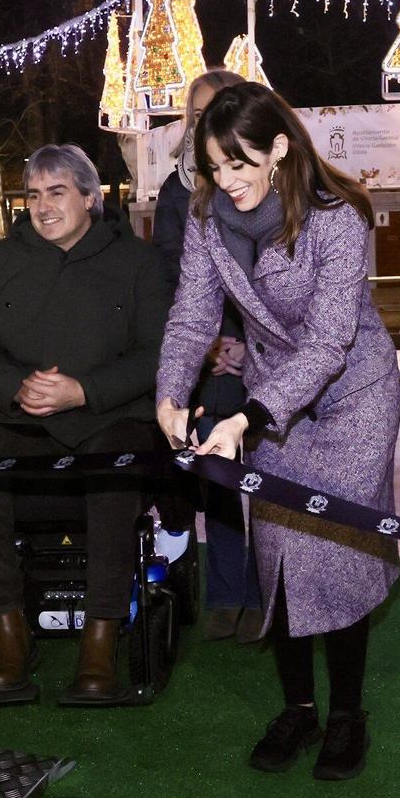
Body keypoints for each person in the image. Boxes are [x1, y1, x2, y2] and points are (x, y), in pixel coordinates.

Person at [156, 83, 400, 781]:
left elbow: (328, 343)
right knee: (281, 552)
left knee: (337, 554)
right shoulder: (208, 220)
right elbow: (192, 314)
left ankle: (347, 714)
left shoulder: (336, 218)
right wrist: (170, 394)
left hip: (352, 399)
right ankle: (299, 707)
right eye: (214, 166)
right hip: (269, 401)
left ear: (279, 149)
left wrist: (246, 417)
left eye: (239, 163)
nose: (226, 180)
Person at [0, 144, 169, 706]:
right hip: (17, 420)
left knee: (115, 473)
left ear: (89, 198)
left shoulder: (136, 262)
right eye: (33, 195)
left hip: (107, 418)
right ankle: (9, 632)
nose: (42, 207)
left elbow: (158, 352)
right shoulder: (4, 259)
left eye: (57, 192)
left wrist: (84, 390)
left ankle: (101, 638)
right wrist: (13, 384)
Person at [151, 68, 259, 643]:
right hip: (208, 356)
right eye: (195, 114)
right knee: (218, 476)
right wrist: (208, 345)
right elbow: (175, 273)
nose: (203, 123)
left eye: (216, 109)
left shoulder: (261, 181)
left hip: (262, 353)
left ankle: (265, 592)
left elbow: (267, 273)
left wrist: (243, 340)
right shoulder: (178, 189)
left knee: (267, 478)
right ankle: (226, 592)